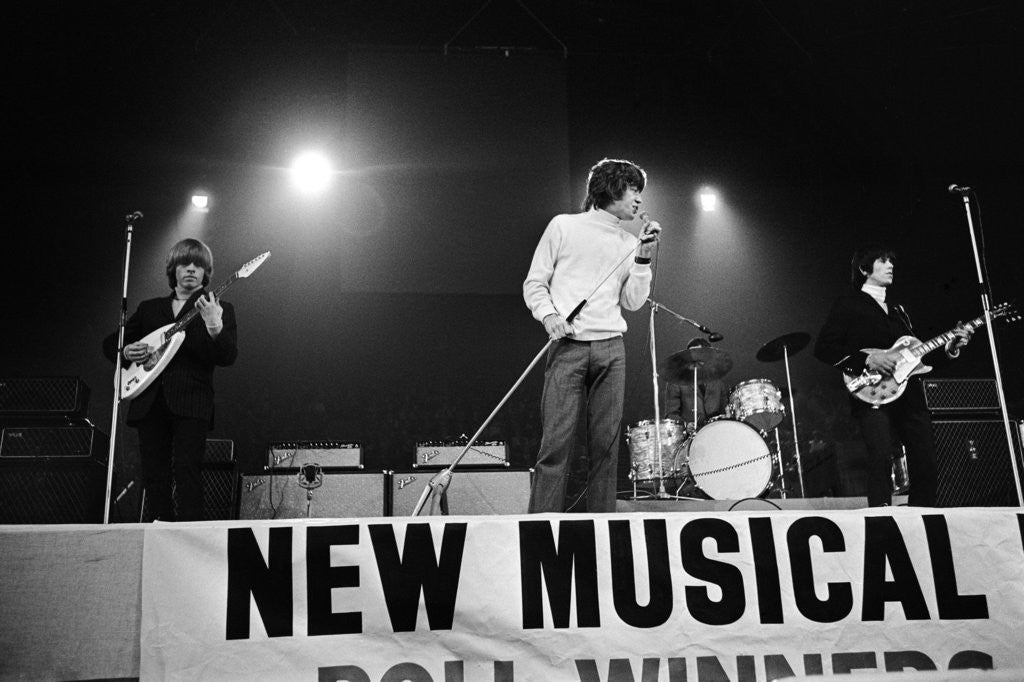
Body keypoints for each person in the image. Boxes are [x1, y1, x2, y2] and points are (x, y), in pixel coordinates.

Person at [523, 158, 661, 512]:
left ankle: (602, 530)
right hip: (567, 347)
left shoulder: (629, 240)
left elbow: (632, 302)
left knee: (606, 449)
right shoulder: (564, 226)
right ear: (612, 186)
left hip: (611, 350)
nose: (639, 200)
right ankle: (540, 529)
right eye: (633, 190)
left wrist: (643, 258)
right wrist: (549, 315)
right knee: (555, 446)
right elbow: (535, 283)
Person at [813, 245, 971, 507]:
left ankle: (922, 517)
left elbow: (918, 357)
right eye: (883, 261)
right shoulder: (848, 303)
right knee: (880, 457)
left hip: (908, 394)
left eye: (891, 261)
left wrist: (951, 348)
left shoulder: (898, 311)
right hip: (871, 392)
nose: (890, 265)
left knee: (927, 460)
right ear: (864, 269)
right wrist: (868, 358)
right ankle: (882, 522)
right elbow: (824, 348)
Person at [103, 238, 238, 521]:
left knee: (188, 469)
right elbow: (110, 344)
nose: (191, 269)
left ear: (206, 272)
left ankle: (190, 538)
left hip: (192, 401)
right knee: (154, 474)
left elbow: (227, 356)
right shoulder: (150, 308)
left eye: (198, 265)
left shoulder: (219, 306)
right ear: (172, 269)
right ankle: (157, 531)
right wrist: (127, 349)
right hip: (149, 402)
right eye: (184, 263)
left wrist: (214, 324)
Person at [665, 337, 729, 429]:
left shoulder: (718, 382)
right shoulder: (676, 382)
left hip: (715, 434)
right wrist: (686, 425)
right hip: (690, 437)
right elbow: (670, 415)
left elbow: (724, 411)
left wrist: (727, 415)